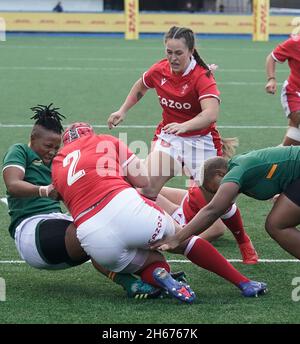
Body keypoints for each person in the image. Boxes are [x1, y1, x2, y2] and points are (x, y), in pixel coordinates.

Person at [52, 121, 267, 302]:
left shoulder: (57, 163)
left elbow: (61, 197)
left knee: (151, 261)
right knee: (184, 240)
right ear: (90, 134)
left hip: (93, 234)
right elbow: (144, 182)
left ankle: (156, 273)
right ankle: (244, 283)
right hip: (124, 206)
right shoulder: (105, 141)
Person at [2, 104, 162, 300]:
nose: (52, 151)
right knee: (93, 231)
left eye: (56, 147)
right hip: (31, 229)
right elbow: (12, 184)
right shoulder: (20, 151)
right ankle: (133, 280)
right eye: (47, 146)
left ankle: (151, 278)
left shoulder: (60, 162)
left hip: (60, 227)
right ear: (33, 138)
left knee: (103, 233)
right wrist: (43, 190)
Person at [107, 26, 231, 201]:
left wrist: (184, 126)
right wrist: (123, 110)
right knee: (146, 189)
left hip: (201, 142)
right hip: (170, 138)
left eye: (179, 53)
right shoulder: (159, 70)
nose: (173, 58)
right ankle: (163, 224)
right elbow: (142, 85)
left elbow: (211, 114)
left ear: (191, 51)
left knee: (213, 208)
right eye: (169, 52)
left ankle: (233, 228)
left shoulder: (202, 76)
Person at [152, 146, 300, 263]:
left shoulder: (236, 172)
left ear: (220, 174)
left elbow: (213, 210)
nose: (217, 194)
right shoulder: (240, 167)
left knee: (276, 224)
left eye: (214, 189)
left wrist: (177, 238)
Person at [157, 183, 258, 264]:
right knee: (148, 190)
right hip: (178, 213)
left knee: (220, 201)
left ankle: (243, 241)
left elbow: (218, 229)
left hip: (183, 222)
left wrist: (187, 242)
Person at [265, 36, 300, 146]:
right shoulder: (294, 43)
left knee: (294, 141)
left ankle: (277, 158)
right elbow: (271, 57)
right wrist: (271, 79)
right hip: (294, 93)